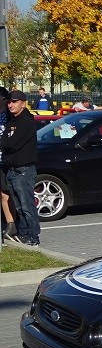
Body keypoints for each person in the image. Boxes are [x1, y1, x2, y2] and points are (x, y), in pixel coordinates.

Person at [1, 90, 41, 246]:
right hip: (12, 170)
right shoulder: (13, 121)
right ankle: (23, 235)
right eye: (9, 102)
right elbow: (4, 140)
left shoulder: (26, 122)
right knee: (18, 207)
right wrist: (6, 142)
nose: (11, 105)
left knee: (27, 206)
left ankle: (33, 237)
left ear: (23, 104)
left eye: (14, 102)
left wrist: (6, 142)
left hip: (23, 170)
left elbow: (13, 144)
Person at [0, 87, 18, 242]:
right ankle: (8, 223)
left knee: (7, 193)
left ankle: (12, 223)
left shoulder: (10, 116)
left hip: (6, 160)